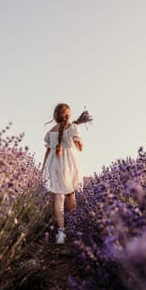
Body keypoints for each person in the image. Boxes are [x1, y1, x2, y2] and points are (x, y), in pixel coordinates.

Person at [42, 103, 85, 244]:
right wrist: (78, 137)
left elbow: (47, 152)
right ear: (68, 115)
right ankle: (73, 231)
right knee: (71, 196)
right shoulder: (73, 128)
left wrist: (43, 169)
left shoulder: (50, 132)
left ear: (55, 116)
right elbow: (80, 148)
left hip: (54, 165)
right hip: (69, 164)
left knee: (58, 198)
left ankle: (61, 233)